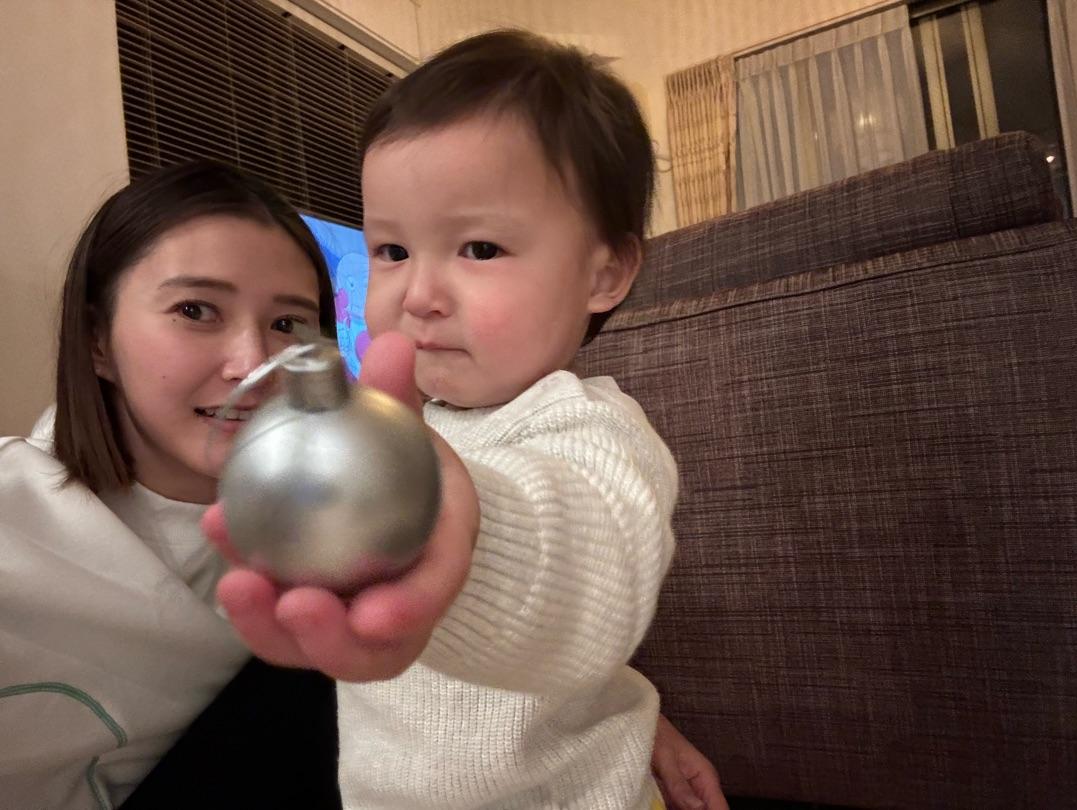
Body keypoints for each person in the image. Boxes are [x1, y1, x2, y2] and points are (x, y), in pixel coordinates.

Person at [0, 159, 724, 809]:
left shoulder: (332, 505)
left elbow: (567, 519)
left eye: (288, 322)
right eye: (196, 311)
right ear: (97, 338)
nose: (252, 362)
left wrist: (595, 700)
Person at [205, 30, 729, 810]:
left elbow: (589, 565)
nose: (418, 295)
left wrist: (459, 524)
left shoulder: (595, 431)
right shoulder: (389, 425)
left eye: (479, 248)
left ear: (605, 272)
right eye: (391, 251)